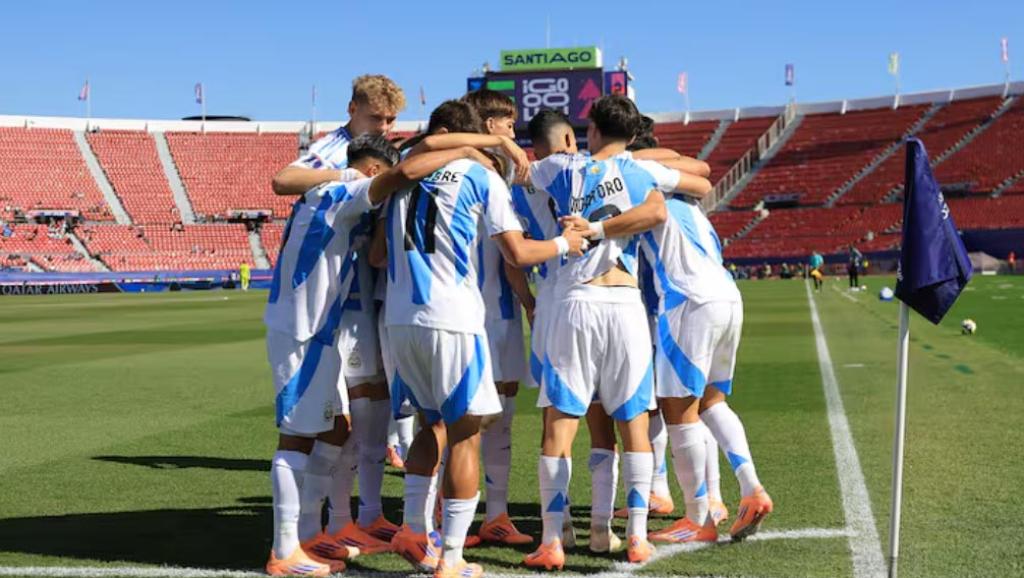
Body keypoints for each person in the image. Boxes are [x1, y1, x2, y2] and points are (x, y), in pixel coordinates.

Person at [383, 100, 590, 578]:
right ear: (478, 134)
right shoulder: (482, 177)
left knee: (430, 426)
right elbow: (516, 253)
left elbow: (378, 252)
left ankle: (413, 528)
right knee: (465, 435)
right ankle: (452, 557)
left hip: (400, 319)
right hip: (454, 317)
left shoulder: (407, 173)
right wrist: (566, 243)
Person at [262, 136, 476, 576]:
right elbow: (404, 173)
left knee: (335, 428)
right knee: (296, 439)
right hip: (301, 328)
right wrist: (466, 150)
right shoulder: (346, 189)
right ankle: (283, 550)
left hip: (318, 328)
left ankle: (309, 535)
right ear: (374, 171)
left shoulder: (329, 193)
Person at [522, 95, 711, 570]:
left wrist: (588, 228)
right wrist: (606, 225)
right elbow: (679, 198)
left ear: (590, 131)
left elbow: (520, 169)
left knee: (561, 419)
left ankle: (552, 540)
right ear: (631, 134)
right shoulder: (642, 171)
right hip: (625, 303)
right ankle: (638, 538)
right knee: (634, 422)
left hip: (575, 301)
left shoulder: (562, 167)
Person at [564, 145, 772, 546]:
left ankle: (698, 517)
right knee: (712, 403)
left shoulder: (637, 185)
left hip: (686, 300)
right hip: (727, 296)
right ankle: (751, 488)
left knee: (679, 410)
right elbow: (700, 170)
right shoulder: (689, 201)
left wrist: (597, 227)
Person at [460, 88, 534, 546]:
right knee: (467, 418)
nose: (513, 131)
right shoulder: (474, 173)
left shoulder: (499, 175)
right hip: (474, 313)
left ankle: (496, 515)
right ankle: (448, 518)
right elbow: (513, 256)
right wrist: (530, 301)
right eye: (508, 124)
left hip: (495, 312)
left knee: (498, 415)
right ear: (489, 126)